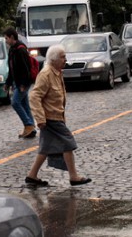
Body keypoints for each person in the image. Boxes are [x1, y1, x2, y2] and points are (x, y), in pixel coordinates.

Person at [25, 44, 91, 187]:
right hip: (50, 118)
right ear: (54, 59)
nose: (65, 59)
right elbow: (34, 97)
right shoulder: (46, 74)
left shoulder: (57, 71)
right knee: (68, 142)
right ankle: (73, 177)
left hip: (55, 116)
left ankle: (32, 176)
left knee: (45, 148)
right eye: (62, 57)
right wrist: (40, 119)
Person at [3, 27, 36, 139]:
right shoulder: (12, 50)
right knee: (25, 105)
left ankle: (28, 125)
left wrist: (23, 85)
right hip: (17, 83)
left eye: (6, 38)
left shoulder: (21, 50)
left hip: (23, 83)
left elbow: (26, 69)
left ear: (12, 37)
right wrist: (7, 84)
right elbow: (12, 69)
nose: (6, 41)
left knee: (15, 102)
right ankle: (31, 129)